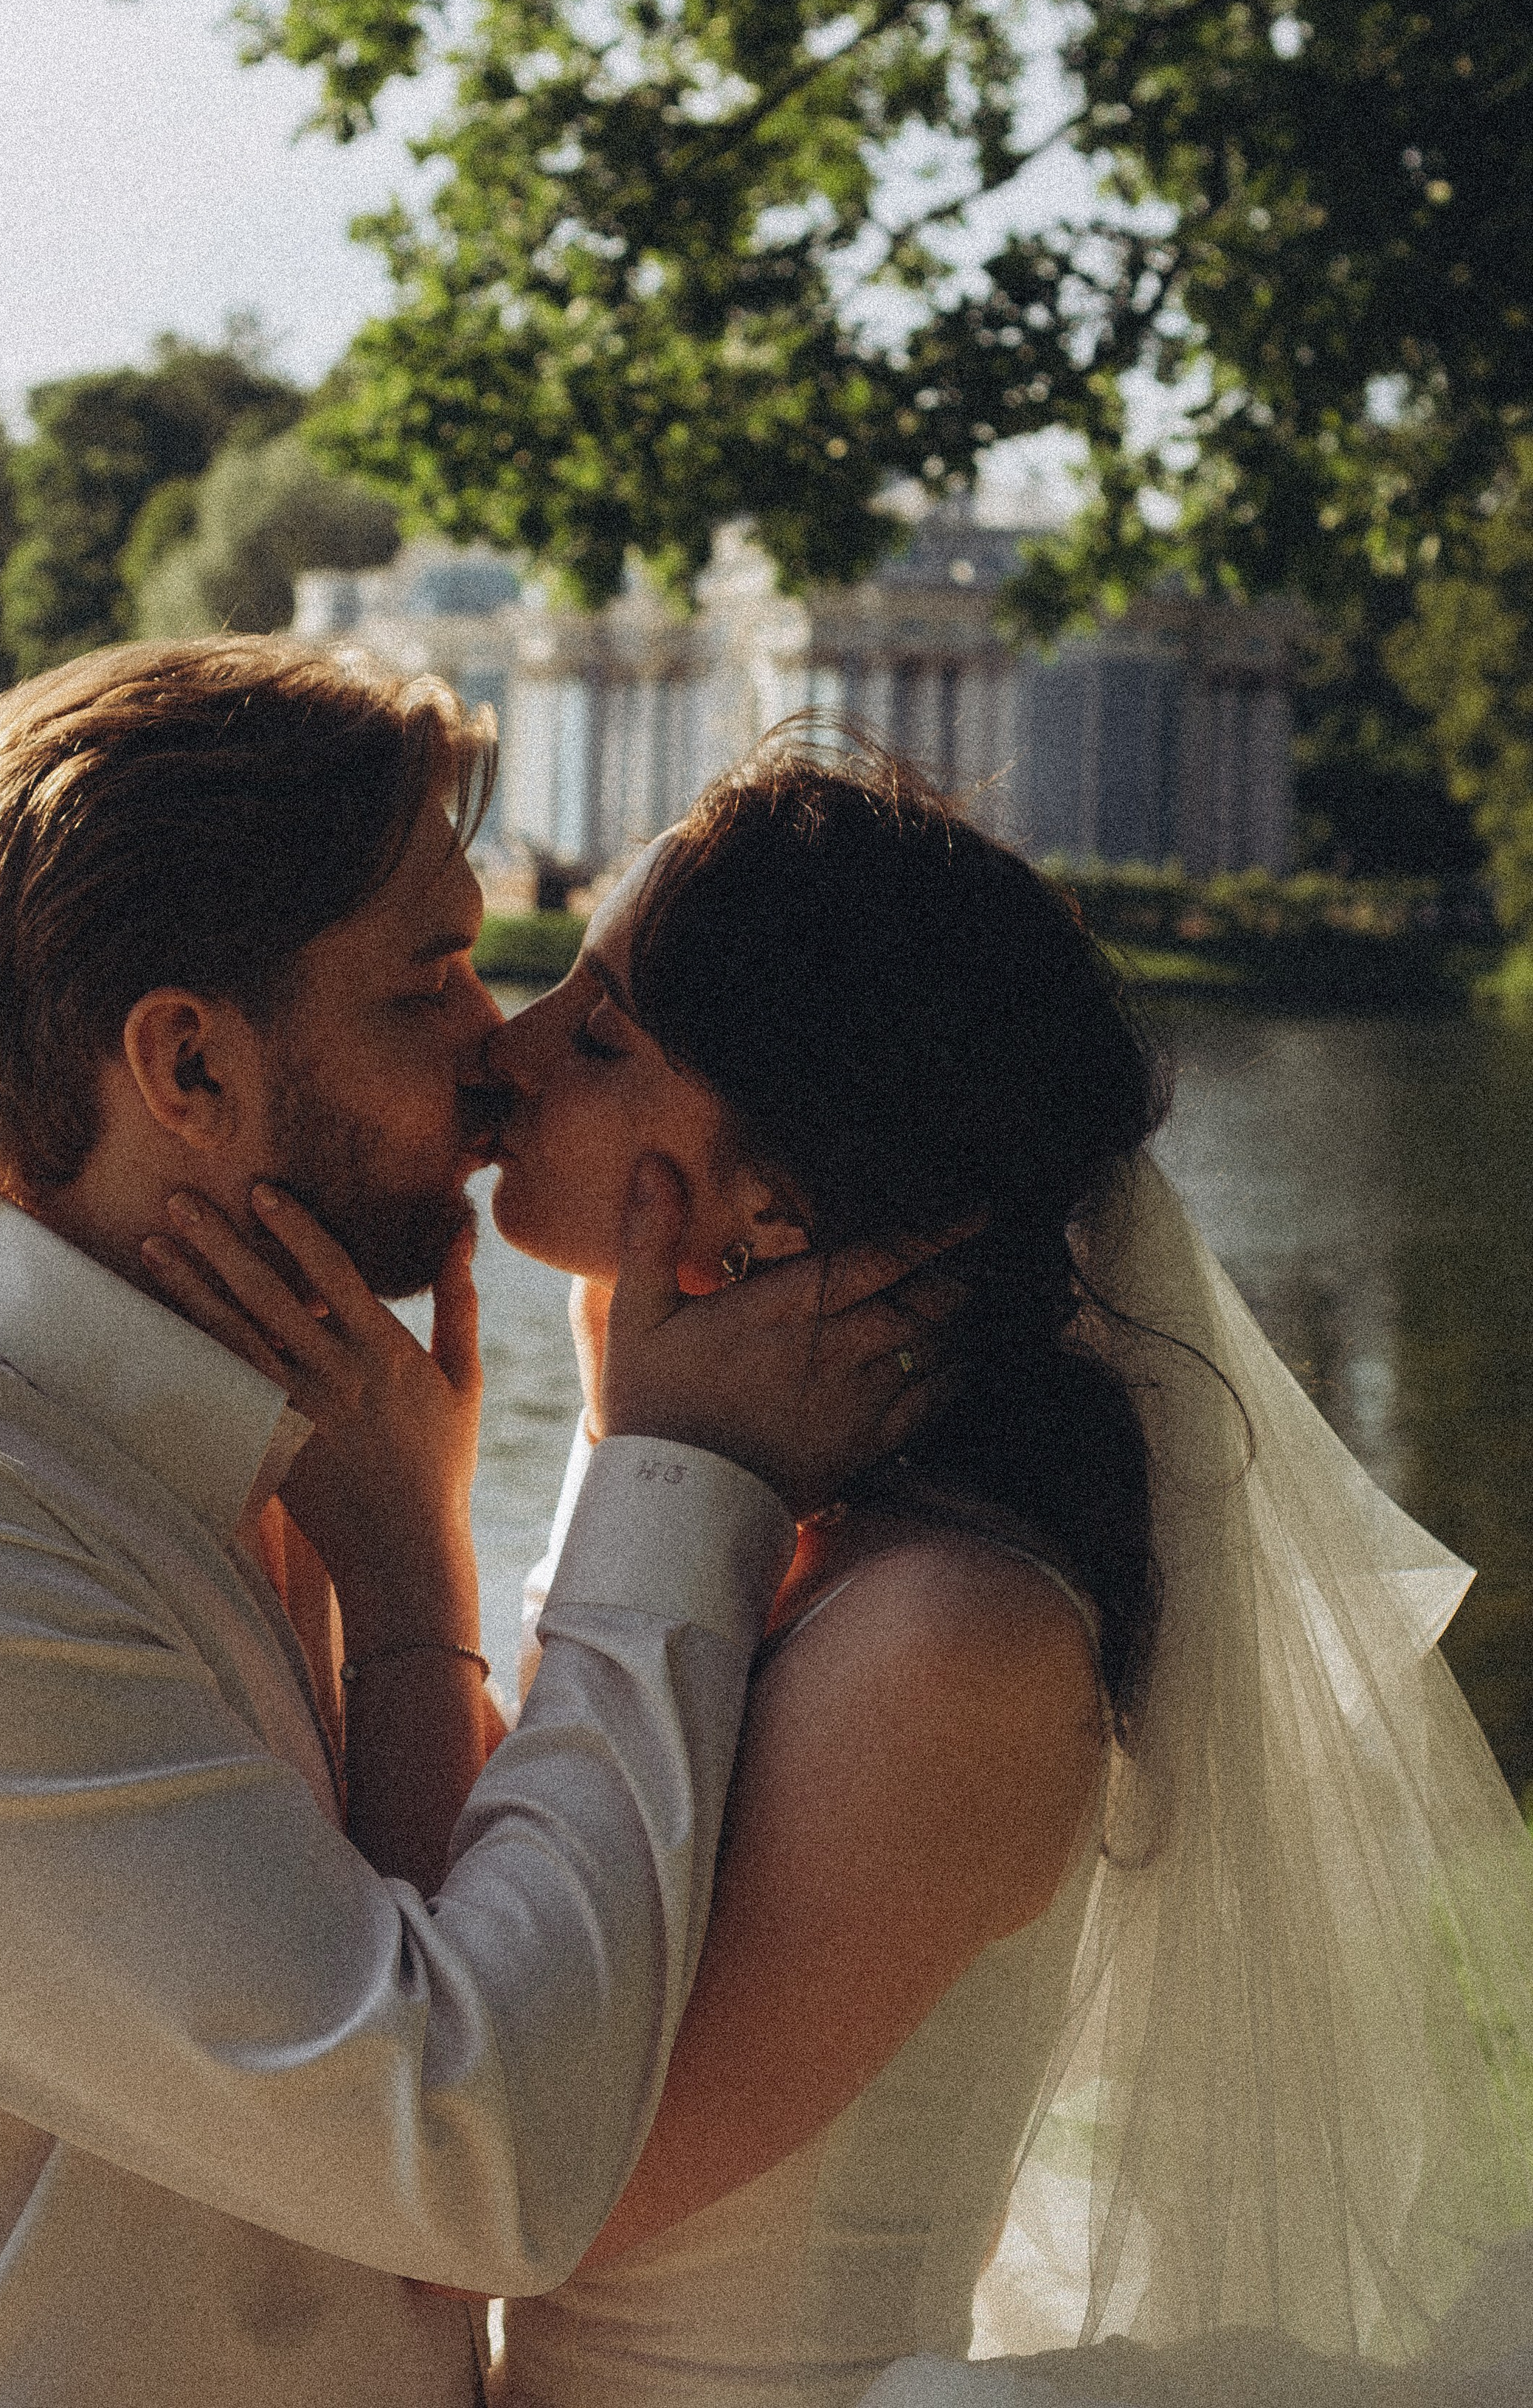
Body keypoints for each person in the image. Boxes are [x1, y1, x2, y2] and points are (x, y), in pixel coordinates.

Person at [0, 642, 924, 2408]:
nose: (503, 1060)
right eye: (432, 983)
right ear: (184, 1064)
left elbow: (436, 1990)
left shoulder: (246, 1443)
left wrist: (413, 1591)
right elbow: (485, 2165)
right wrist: (671, 1480)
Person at [465, 733, 1533, 2408]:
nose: (500, 1050)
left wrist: (395, 1566)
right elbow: (502, 1913)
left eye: (597, 1035)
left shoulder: (949, 1640)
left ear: (783, 1198)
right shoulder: (744, 1510)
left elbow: (523, 2190)